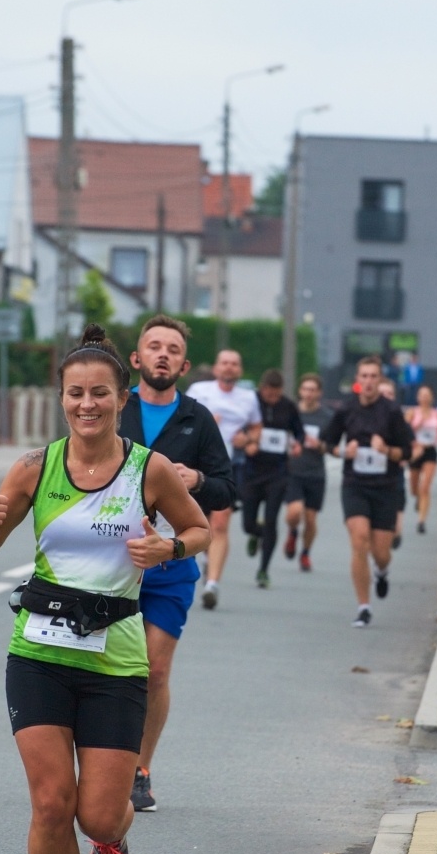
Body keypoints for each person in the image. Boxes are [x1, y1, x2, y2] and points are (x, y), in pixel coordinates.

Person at [0, 325, 211, 854]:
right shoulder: (35, 467)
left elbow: (198, 527)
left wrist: (171, 550)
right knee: (50, 803)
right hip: (38, 653)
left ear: (122, 395)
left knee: (97, 812)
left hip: (116, 661)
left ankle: (114, 834)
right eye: (75, 394)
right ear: (62, 397)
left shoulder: (147, 468)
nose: (87, 404)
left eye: (100, 392)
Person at [117, 314, 236, 814]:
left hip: (171, 565)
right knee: (108, 670)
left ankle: (140, 770)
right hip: (113, 562)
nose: (162, 354)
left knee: (155, 671)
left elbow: (230, 489)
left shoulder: (197, 419)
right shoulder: (113, 409)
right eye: (153, 346)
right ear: (136, 359)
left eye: (172, 349)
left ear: (184, 365)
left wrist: (198, 480)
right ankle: (106, 762)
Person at [323, 356, 415, 628]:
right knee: (359, 541)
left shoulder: (392, 411)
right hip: (355, 485)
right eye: (364, 376)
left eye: (374, 376)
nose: (368, 381)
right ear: (357, 380)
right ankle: (364, 606)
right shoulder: (346, 409)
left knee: (381, 551)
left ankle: (382, 571)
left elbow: (407, 451)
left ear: (380, 380)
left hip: (385, 488)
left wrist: (386, 450)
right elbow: (327, 443)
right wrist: (342, 451)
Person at [187, 350, 261, 610]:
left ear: (239, 370)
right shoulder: (199, 389)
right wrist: (205, 424)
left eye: (234, 364)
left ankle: (212, 585)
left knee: (220, 523)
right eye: (225, 363)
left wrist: (248, 441)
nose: (229, 368)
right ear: (216, 368)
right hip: (193, 466)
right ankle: (204, 559)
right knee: (194, 522)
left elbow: (255, 429)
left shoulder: (249, 398)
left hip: (225, 467)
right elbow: (182, 420)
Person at [241, 369, 304, 587]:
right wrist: (248, 443)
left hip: (278, 473)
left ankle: (263, 569)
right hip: (252, 472)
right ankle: (255, 534)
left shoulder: (288, 406)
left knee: (271, 521)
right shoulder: (251, 403)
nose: (273, 399)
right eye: (269, 394)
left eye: (277, 395)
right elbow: (239, 429)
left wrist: (298, 444)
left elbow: (300, 432)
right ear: (262, 388)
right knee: (248, 524)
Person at [284, 374, 332, 572]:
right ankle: (293, 532)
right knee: (294, 512)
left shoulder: (327, 417)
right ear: (300, 391)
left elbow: (332, 446)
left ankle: (305, 553)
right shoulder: (290, 413)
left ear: (319, 393)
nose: (309, 393)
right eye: (306, 389)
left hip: (315, 473)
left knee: (311, 519)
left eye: (313, 390)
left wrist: (319, 445)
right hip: (293, 471)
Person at [406, 385, 437, 535]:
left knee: (425, 487)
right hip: (416, 451)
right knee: (414, 489)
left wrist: (436, 437)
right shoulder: (412, 412)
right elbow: (405, 430)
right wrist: (418, 425)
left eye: (427, 395)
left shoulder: (436, 414)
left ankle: (421, 521)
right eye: (422, 394)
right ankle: (418, 499)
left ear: (432, 398)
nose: (425, 397)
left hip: (430, 451)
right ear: (418, 398)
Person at [377, 377, 408, 548]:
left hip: (394, 478)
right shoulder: (362, 416)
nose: (386, 397)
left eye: (390, 394)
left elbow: (413, 447)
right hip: (368, 480)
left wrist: (402, 456)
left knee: (392, 534)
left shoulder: (399, 419)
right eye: (382, 393)